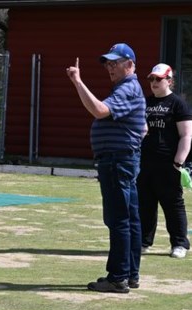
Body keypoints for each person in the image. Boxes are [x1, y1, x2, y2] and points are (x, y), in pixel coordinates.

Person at [66, 43, 147, 293]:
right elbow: (142, 128)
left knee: (118, 219)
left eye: (115, 63)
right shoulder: (127, 89)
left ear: (130, 65)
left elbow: (100, 110)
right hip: (122, 160)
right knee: (129, 219)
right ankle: (129, 274)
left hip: (117, 161)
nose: (110, 68)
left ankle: (118, 277)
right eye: (108, 64)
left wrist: (78, 82)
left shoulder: (128, 88)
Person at [138, 63, 192, 258]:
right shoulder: (145, 102)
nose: (154, 82)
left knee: (173, 204)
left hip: (168, 164)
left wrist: (179, 162)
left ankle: (179, 244)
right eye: (151, 79)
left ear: (169, 80)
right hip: (144, 163)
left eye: (158, 79)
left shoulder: (178, 104)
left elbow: (187, 134)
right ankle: (144, 242)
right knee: (145, 204)